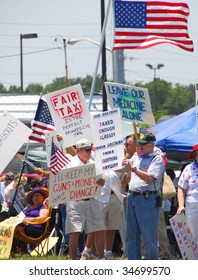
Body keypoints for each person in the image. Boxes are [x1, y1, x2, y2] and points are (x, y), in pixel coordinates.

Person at [122, 132, 164, 260]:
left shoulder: (157, 158)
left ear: (151, 145)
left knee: (149, 237)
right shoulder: (137, 156)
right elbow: (126, 169)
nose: (140, 147)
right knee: (131, 235)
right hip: (132, 197)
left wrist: (133, 168)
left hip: (147, 199)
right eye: (139, 144)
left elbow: (149, 178)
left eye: (143, 145)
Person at [65, 138, 106, 260]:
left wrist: (99, 182)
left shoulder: (92, 164)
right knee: (75, 231)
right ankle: (73, 260)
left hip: (92, 199)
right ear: (78, 150)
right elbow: (66, 185)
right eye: (86, 150)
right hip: (75, 202)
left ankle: (102, 258)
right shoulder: (70, 165)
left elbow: (101, 183)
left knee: (99, 228)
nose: (89, 153)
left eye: (90, 150)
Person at [13, 186, 49, 251]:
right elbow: (21, 215)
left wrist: (27, 220)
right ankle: (10, 250)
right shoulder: (29, 208)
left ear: (43, 197)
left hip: (36, 230)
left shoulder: (43, 208)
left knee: (14, 227)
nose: (36, 197)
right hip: (25, 227)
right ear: (32, 199)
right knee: (7, 226)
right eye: (34, 196)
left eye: (38, 195)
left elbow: (43, 218)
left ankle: (13, 250)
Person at [177, 144, 198, 249]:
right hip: (193, 205)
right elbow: (181, 188)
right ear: (195, 155)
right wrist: (181, 205)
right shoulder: (188, 169)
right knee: (194, 234)